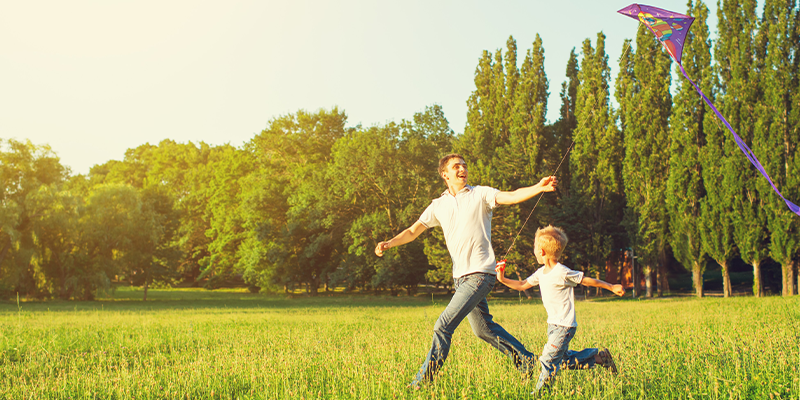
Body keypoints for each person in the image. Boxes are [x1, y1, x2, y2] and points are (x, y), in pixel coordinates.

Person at [374, 153, 557, 388]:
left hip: (481, 274)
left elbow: (511, 196)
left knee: (443, 325)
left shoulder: (480, 194)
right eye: (456, 166)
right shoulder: (438, 205)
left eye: (464, 166)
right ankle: (527, 360)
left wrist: (537, 188)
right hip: (460, 279)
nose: (462, 169)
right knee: (483, 329)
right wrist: (389, 243)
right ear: (445, 174)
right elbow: (412, 231)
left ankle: (422, 381)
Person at [495, 225, 625, 392]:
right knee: (561, 361)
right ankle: (600, 359)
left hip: (564, 326)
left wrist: (612, 286)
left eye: (535, 248)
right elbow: (521, 284)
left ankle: (540, 393)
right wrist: (502, 278)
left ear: (541, 252)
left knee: (548, 359)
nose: (534, 251)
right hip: (553, 325)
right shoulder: (541, 273)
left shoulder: (562, 272)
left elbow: (586, 280)